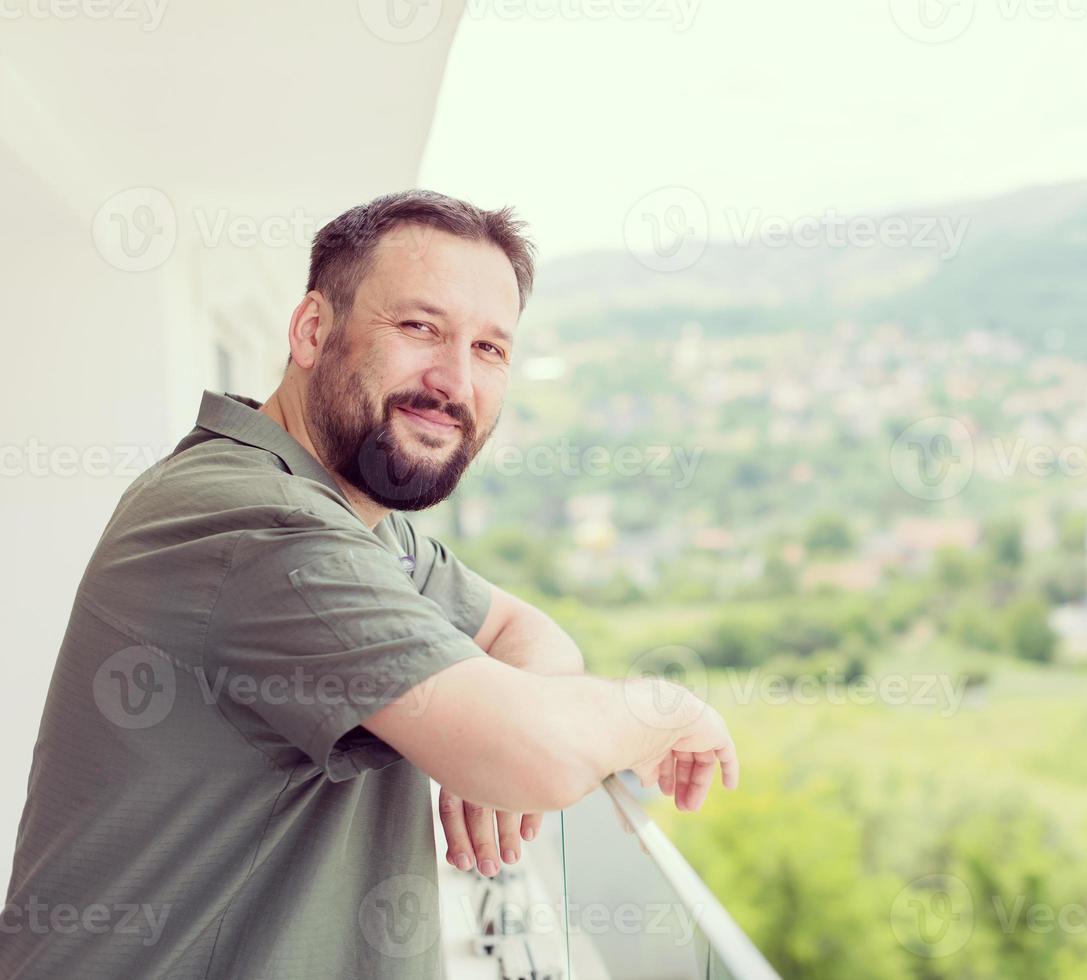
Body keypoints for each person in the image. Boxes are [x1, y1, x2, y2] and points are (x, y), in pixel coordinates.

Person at [1, 190, 737, 978]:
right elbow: (541, 756)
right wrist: (668, 711)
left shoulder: (353, 520)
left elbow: (527, 634)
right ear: (313, 330)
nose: (454, 380)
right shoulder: (259, 526)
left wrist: (494, 726)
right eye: (420, 327)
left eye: (489, 349)